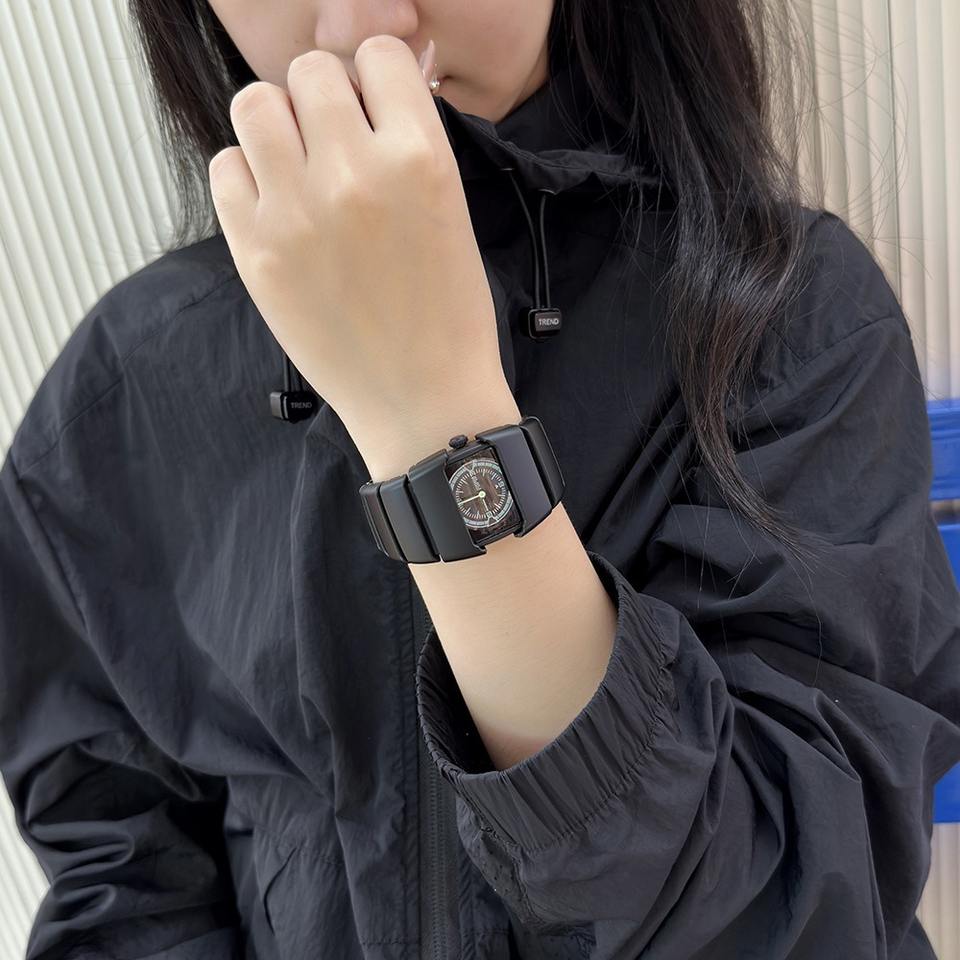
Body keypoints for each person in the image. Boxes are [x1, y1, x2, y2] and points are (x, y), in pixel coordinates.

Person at [1, 1, 958, 958]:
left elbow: (804, 917)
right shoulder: (118, 397)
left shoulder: (789, 318)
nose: (362, 25)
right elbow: (124, 879)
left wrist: (434, 413)